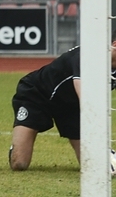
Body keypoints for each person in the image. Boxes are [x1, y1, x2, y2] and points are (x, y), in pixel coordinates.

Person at [9, 33, 116, 171]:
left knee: (90, 165)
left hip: (70, 106)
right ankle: (16, 146)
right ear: (114, 45)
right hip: (37, 95)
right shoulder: (88, 56)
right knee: (19, 164)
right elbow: (85, 99)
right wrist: (100, 146)